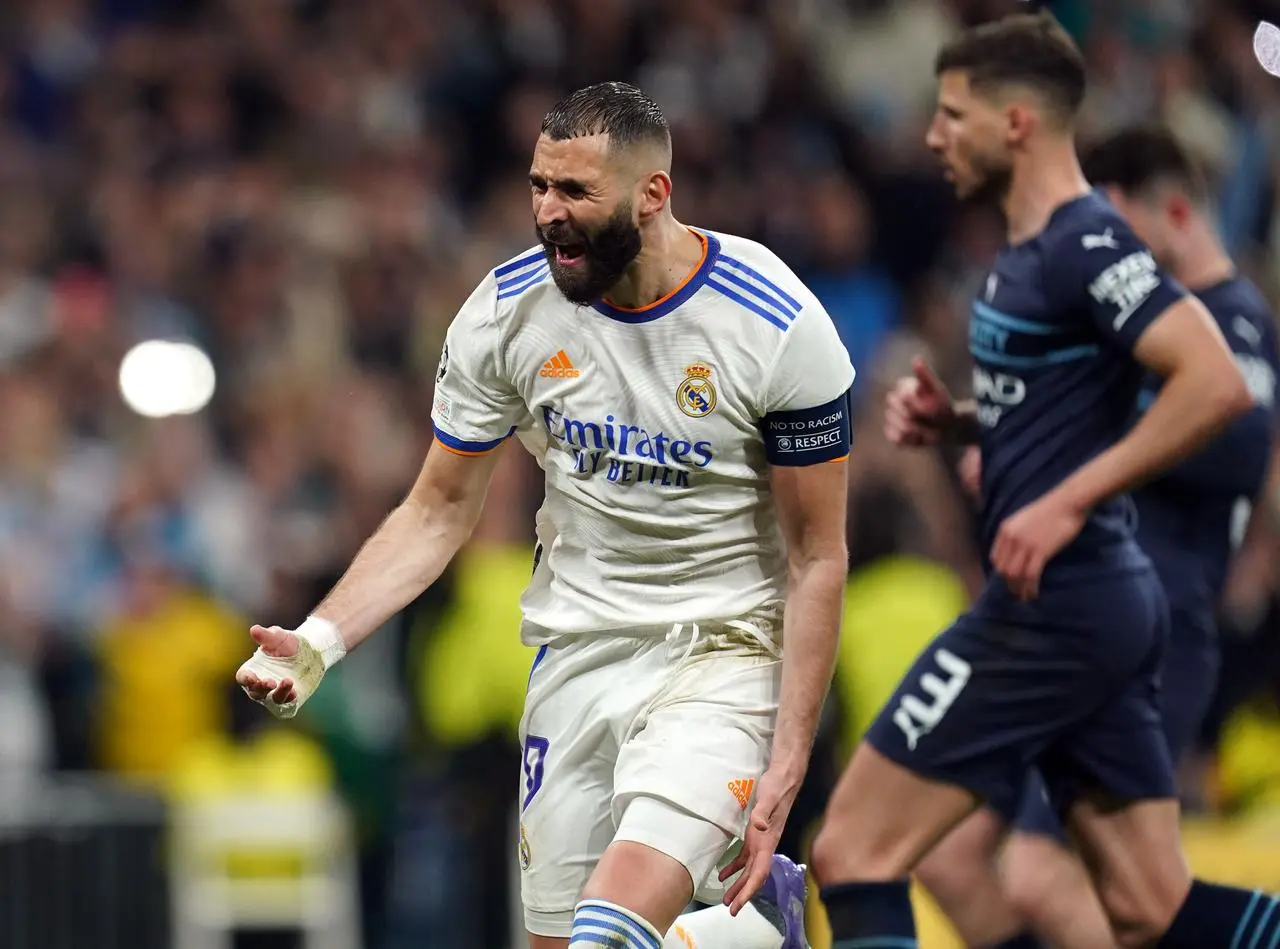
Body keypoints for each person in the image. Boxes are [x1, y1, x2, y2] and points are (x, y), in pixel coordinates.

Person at [235, 81, 854, 949]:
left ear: (653, 195)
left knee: (608, 933)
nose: (548, 214)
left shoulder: (773, 325)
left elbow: (817, 556)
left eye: (575, 192)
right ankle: (747, 940)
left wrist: (788, 757)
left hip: (721, 655)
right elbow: (438, 508)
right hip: (576, 657)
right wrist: (322, 639)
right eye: (538, 186)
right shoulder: (505, 314)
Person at [805, 13, 1270, 949]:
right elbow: (1094, 401)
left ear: (1016, 122)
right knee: (1148, 905)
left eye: (952, 113)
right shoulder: (1024, 258)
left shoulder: (1083, 244)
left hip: (1057, 606)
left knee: (855, 850)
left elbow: (1213, 383)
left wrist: (1060, 501)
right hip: (1095, 604)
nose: (932, 135)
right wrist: (969, 421)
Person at [912, 124, 1280, 949]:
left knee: (1056, 880)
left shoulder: (1236, 323)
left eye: (1120, 234)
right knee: (943, 850)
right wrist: (988, 436)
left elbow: (1235, 445)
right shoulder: (1133, 340)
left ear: (1176, 211)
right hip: (1062, 630)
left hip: (1151, 642)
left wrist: (1059, 463)